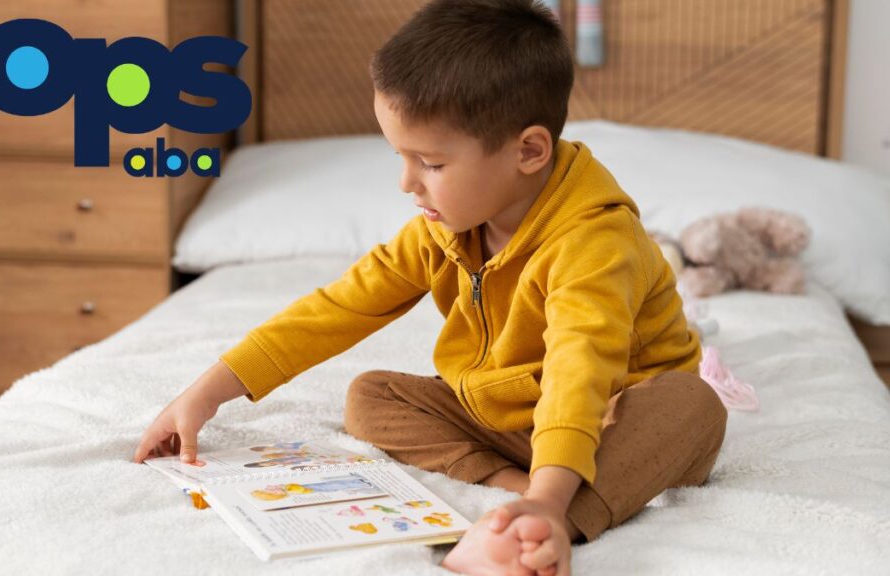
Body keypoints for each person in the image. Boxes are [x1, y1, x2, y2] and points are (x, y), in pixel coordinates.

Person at [133, 1, 728, 573]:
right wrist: (209, 390)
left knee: (693, 404)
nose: (407, 184)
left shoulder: (593, 242)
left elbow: (581, 370)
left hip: (609, 421)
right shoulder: (443, 230)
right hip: (506, 416)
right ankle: (517, 488)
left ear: (528, 151)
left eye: (432, 164)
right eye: (401, 157)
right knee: (371, 395)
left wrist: (550, 502)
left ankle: (553, 519)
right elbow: (338, 307)